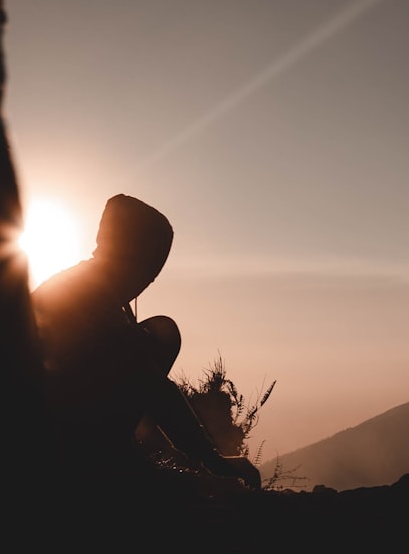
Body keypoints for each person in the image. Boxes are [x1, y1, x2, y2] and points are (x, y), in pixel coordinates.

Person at [31, 194, 261, 490]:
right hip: (45, 437)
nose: (146, 282)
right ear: (130, 258)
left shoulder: (93, 291)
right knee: (161, 334)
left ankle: (114, 454)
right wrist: (213, 461)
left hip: (52, 423)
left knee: (159, 332)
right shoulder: (83, 294)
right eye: (148, 270)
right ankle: (103, 465)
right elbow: (148, 382)